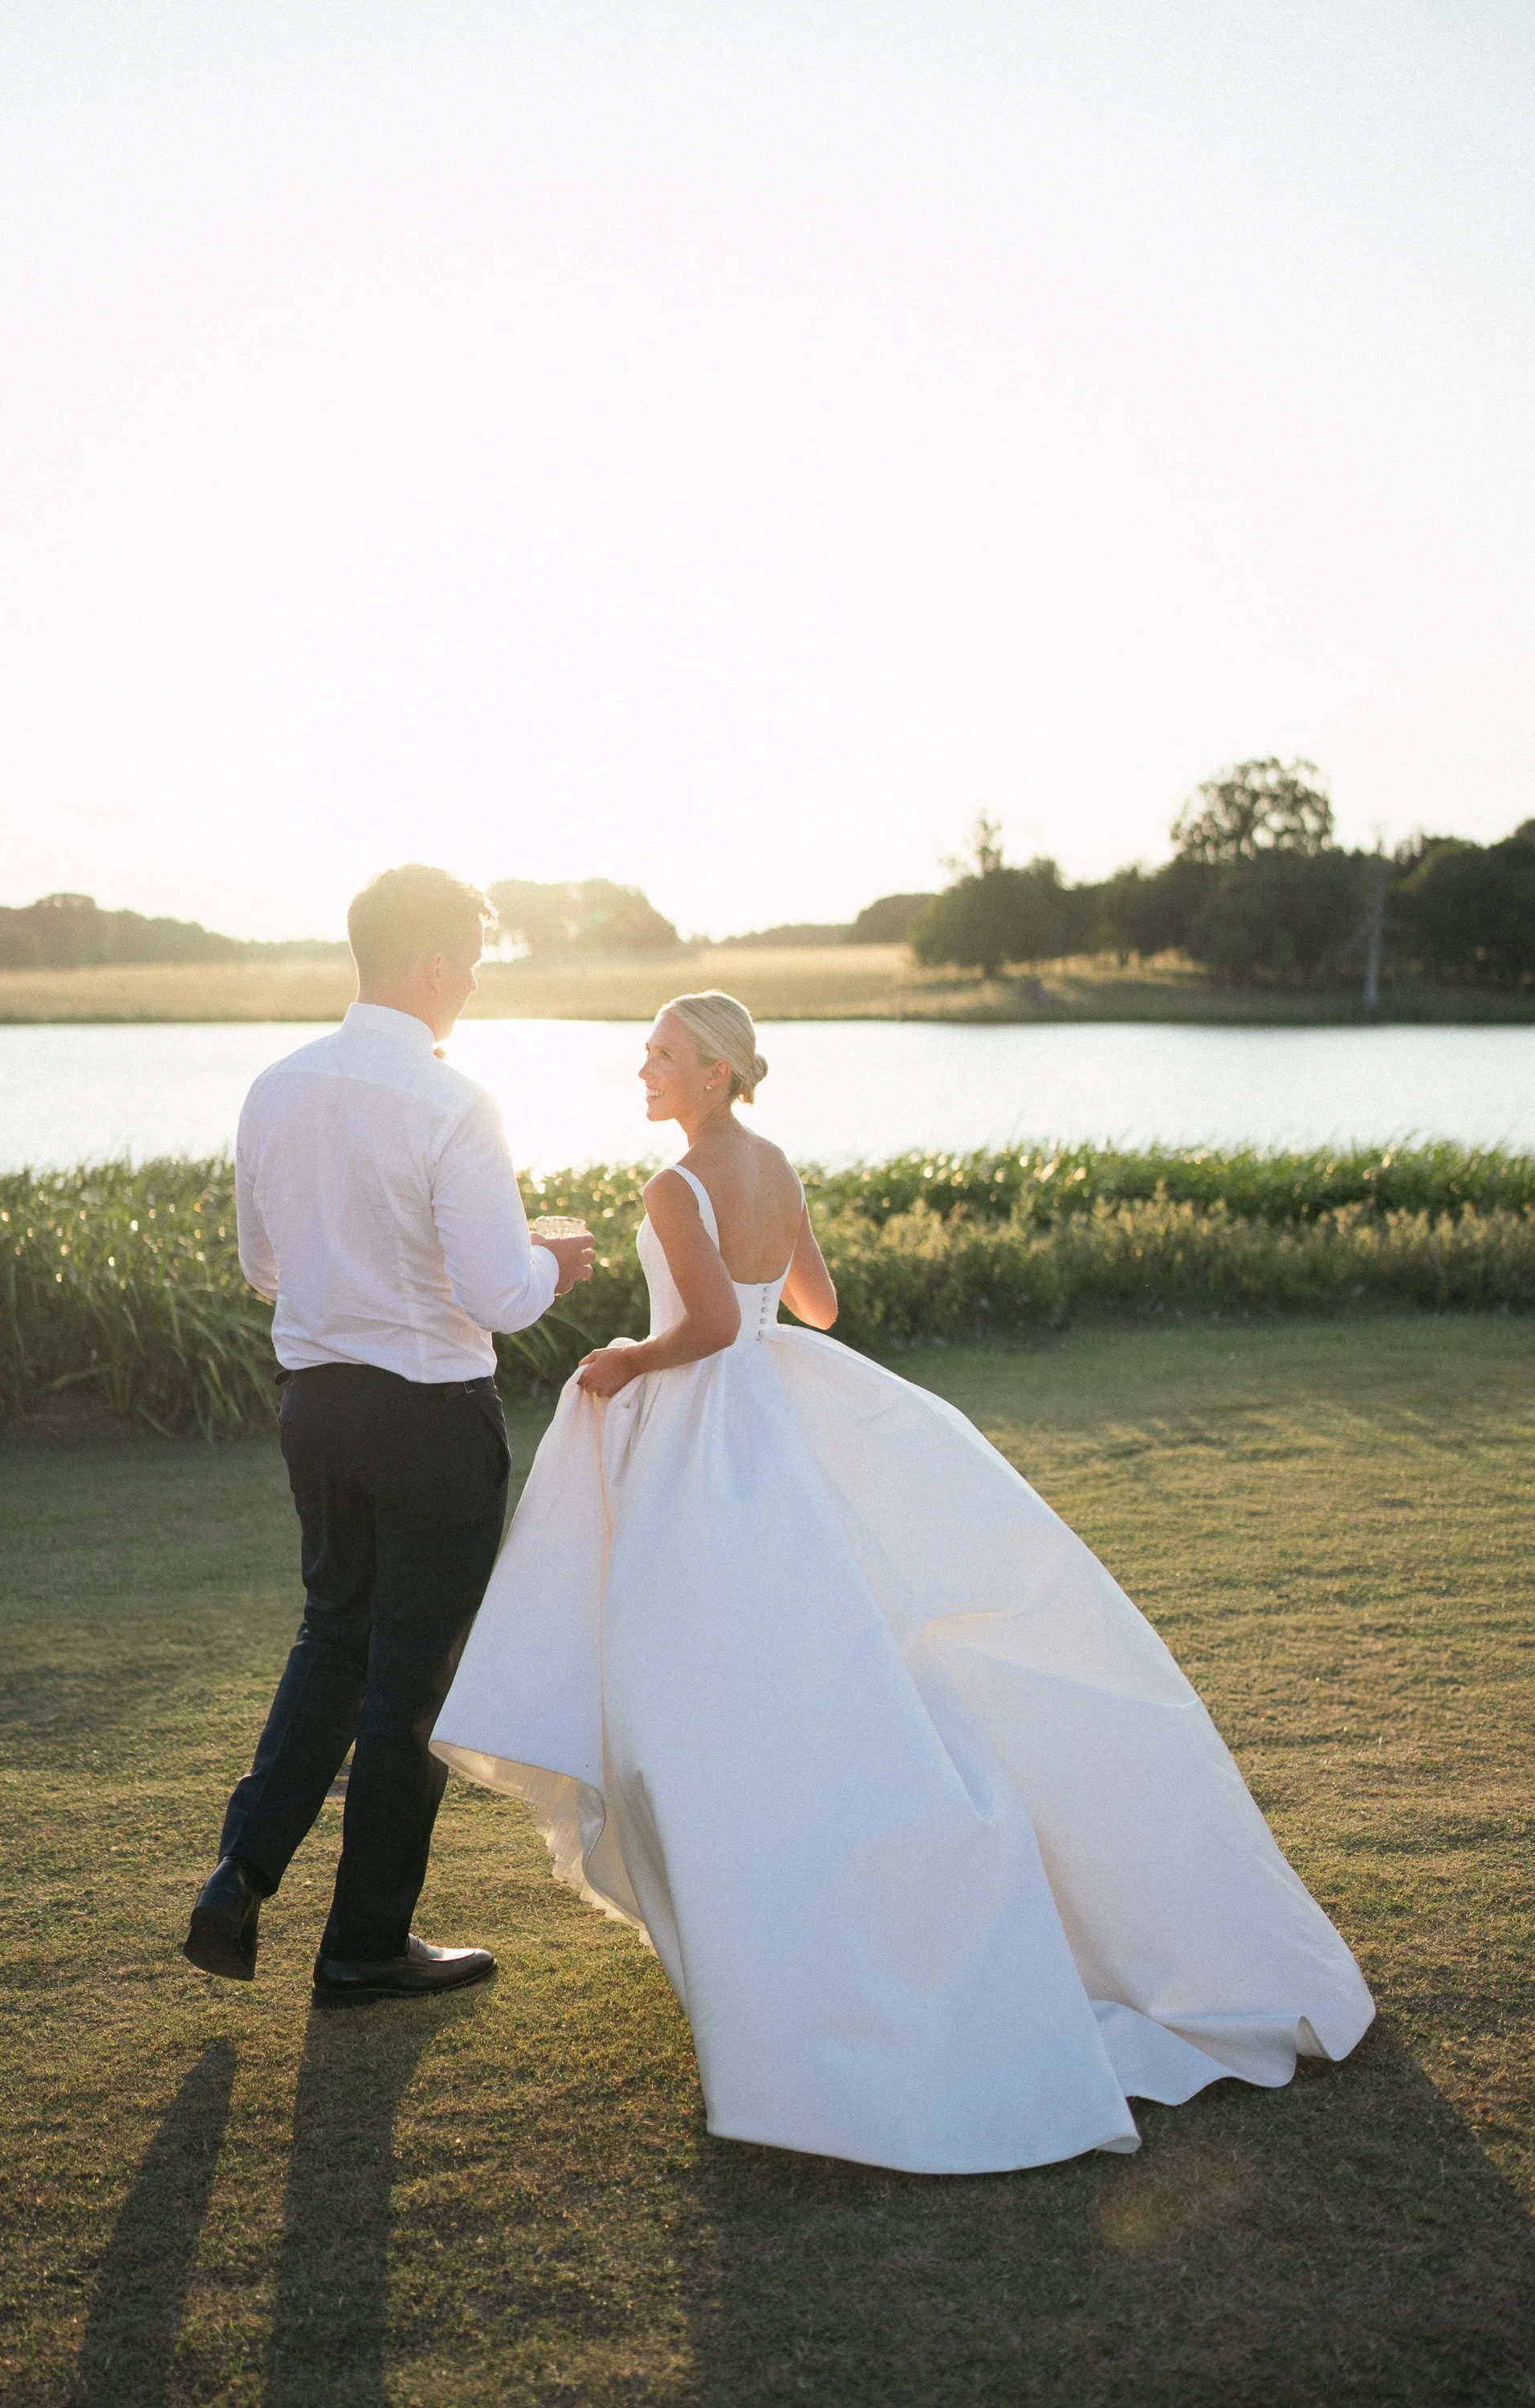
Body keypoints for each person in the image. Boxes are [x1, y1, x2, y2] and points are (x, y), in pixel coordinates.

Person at [430, 990, 1374, 2173]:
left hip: (714, 1432)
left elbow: (713, 1326)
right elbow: (814, 1308)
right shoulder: (774, 1163)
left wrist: (628, 1354)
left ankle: (781, 1923)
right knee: (835, 1642)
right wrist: (752, 1291)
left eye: (664, 1057)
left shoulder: (675, 1187)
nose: (645, 1072)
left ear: (718, 1072)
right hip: (785, 1400)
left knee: (704, 1671)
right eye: (647, 1055)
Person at [182, 864, 594, 2006]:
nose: (471, 980)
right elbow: (500, 1293)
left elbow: (260, 1266)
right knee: (413, 1680)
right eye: (467, 958)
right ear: (429, 963)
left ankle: (239, 1876)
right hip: (429, 1420)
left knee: (334, 1639)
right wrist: (558, 1262)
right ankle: (365, 1942)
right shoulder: (454, 1102)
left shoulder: (274, 1086)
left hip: (316, 1410)